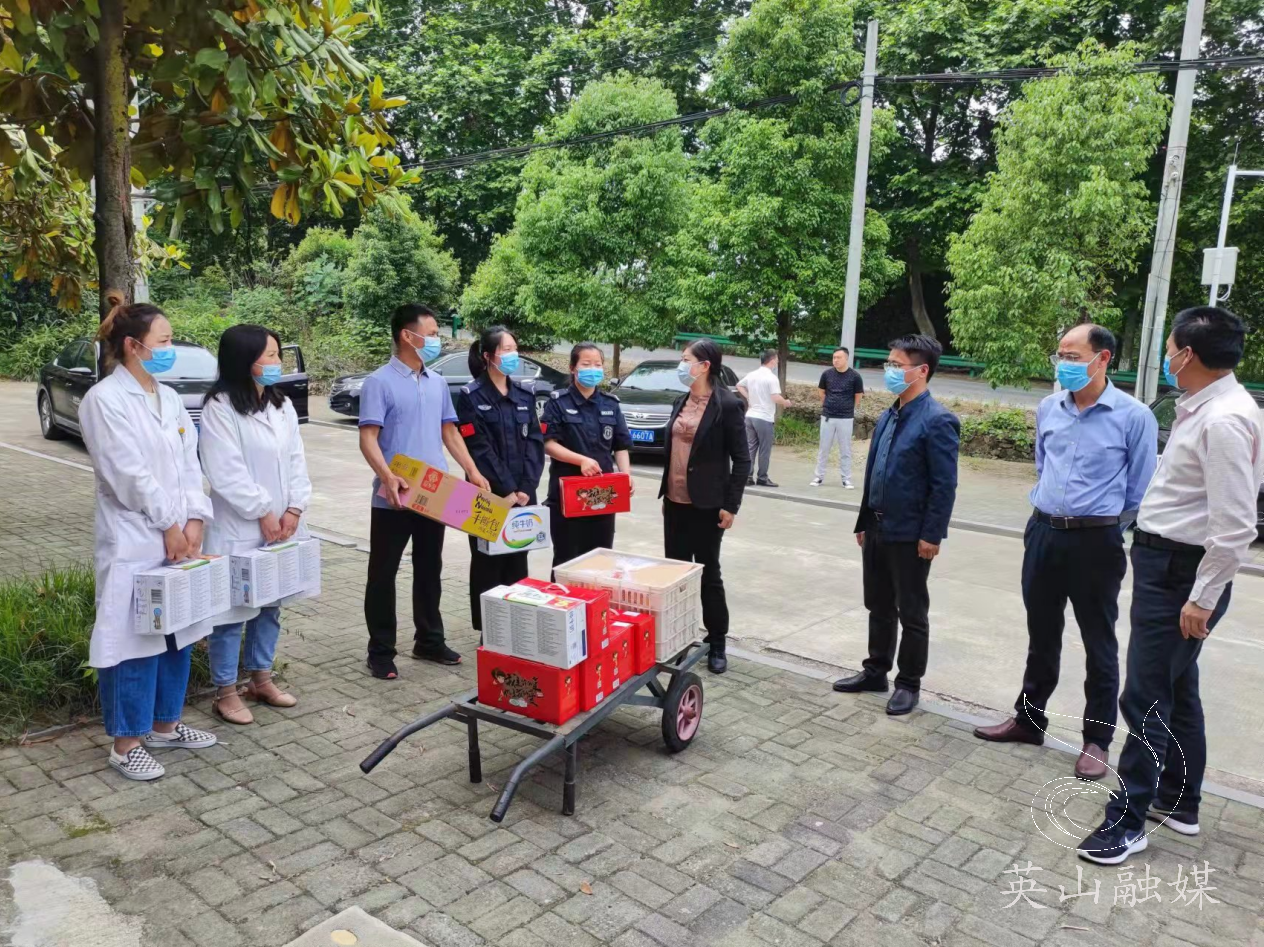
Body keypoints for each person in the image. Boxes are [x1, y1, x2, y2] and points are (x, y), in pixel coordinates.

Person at [1079, 307, 1263, 865]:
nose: (1166, 358)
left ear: (1189, 354)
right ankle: (1180, 801)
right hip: (1168, 565)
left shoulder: (1223, 419)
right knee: (1178, 690)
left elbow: (1236, 525)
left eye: (1169, 349)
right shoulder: (1205, 406)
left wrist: (1202, 598)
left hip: (1182, 573)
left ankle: (1127, 822)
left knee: (1145, 696)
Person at [973, 325, 1156, 779]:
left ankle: (1097, 740)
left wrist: (1103, 528)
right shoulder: (1049, 408)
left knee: (1099, 642)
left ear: (1103, 358)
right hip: (1043, 533)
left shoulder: (1134, 416)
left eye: (1073, 356)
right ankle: (1029, 720)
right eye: (1060, 355)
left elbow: (1139, 490)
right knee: (1042, 633)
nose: (1064, 364)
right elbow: (1043, 465)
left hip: (1096, 541)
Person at [78, 292, 218, 781]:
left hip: (180, 536)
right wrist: (169, 525)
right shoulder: (105, 401)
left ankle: (165, 725)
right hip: (136, 537)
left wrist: (195, 519)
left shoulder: (170, 398)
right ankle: (126, 743)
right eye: (164, 340)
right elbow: (128, 474)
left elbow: (190, 464)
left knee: (177, 631)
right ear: (133, 346)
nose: (170, 348)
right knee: (133, 638)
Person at [358, 304, 490, 679]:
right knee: (382, 574)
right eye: (431, 334)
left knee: (430, 568)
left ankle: (429, 641)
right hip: (394, 496)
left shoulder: (436, 383)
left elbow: (449, 431)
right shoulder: (379, 382)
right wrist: (386, 476)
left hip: (436, 493)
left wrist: (472, 470)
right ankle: (380, 650)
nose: (436, 340)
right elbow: (368, 438)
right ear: (407, 335)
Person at [834, 334, 960, 716]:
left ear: (922, 371)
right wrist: (863, 521)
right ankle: (876, 671)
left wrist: (931, 534)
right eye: (887, 363)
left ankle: (908, 684)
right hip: (876, 527)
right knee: (878, 604)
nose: (888, 370)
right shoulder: (890, 414)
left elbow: (943, 485)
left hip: (910, 534)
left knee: (912, 611)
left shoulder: (937, 420)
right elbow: (875, 471)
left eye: (896, 365)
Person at [199, 325, 312, 725]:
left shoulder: (281, 405)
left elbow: (297, 459)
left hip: (282, 527)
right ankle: (225, 692)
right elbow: (224, 470)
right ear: (244, 360)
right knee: (232, 613)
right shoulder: (219, 407)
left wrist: (294, 508)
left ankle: (261, 679)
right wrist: (263, 511)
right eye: (270, 355)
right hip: (240, 526)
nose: (278, 362)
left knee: (270, 606)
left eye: (278, 354)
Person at [659, 339, 752, 674]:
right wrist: (667, 493)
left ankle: (717, 642)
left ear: (704, 365)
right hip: (675, 502)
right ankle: (679, 638)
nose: (681, 365)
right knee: (676, 575)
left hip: (708, 505)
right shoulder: (680, 401)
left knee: (708, 573)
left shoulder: (727, 404)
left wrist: (731, 505)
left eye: (686, 360)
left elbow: (742, 460)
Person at [455, 326, 545, 631]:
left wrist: (526, 487)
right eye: (506, 350)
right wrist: (506, 489)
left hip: (523, 496)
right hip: (488, 495)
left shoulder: (524, 395)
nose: (512, 355)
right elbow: (478, 447)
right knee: (487, 563)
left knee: (518, 562)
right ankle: (490, 632)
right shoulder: (471, 396)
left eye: (514, 349)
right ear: (488, 356)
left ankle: (517, 629)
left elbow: (535, 443)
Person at [541, 343, 633, 569]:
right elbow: (548, 443)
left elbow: (621, 445)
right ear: (573, 368)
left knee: (600, 560)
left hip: (603, 495)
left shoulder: (610, 404)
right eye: (586, 364)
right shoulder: (558, 403)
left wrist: (626, 474)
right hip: (567, 495)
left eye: (598, 365)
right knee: (567, 561)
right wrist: (580, 460)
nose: (593, 369)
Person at [737, 350, 792, 488]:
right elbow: (775, 397)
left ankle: (747, 477)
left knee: (751, 447)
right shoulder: (771, 378)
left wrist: (749, 397)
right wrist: (785, 402)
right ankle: (762, 477)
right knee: (764, 449)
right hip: (764, 417)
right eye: (777, 359)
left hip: (750, 416)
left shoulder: (752, 374)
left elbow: (739, 385)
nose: (777, 362)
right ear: (772, 360)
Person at [811, 346, 864, 488]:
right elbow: (821, 391)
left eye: (838, 357)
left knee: (845, 449)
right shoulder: (827, 374)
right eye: (834, 357)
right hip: (828, 416)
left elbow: (858, 395)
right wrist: (828, 404)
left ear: (846, 358)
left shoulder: (855, 376)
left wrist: (849, 408)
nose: (835, 360)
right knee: (824, 448)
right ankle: (818, 477)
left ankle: (846, 479)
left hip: (846, 417)